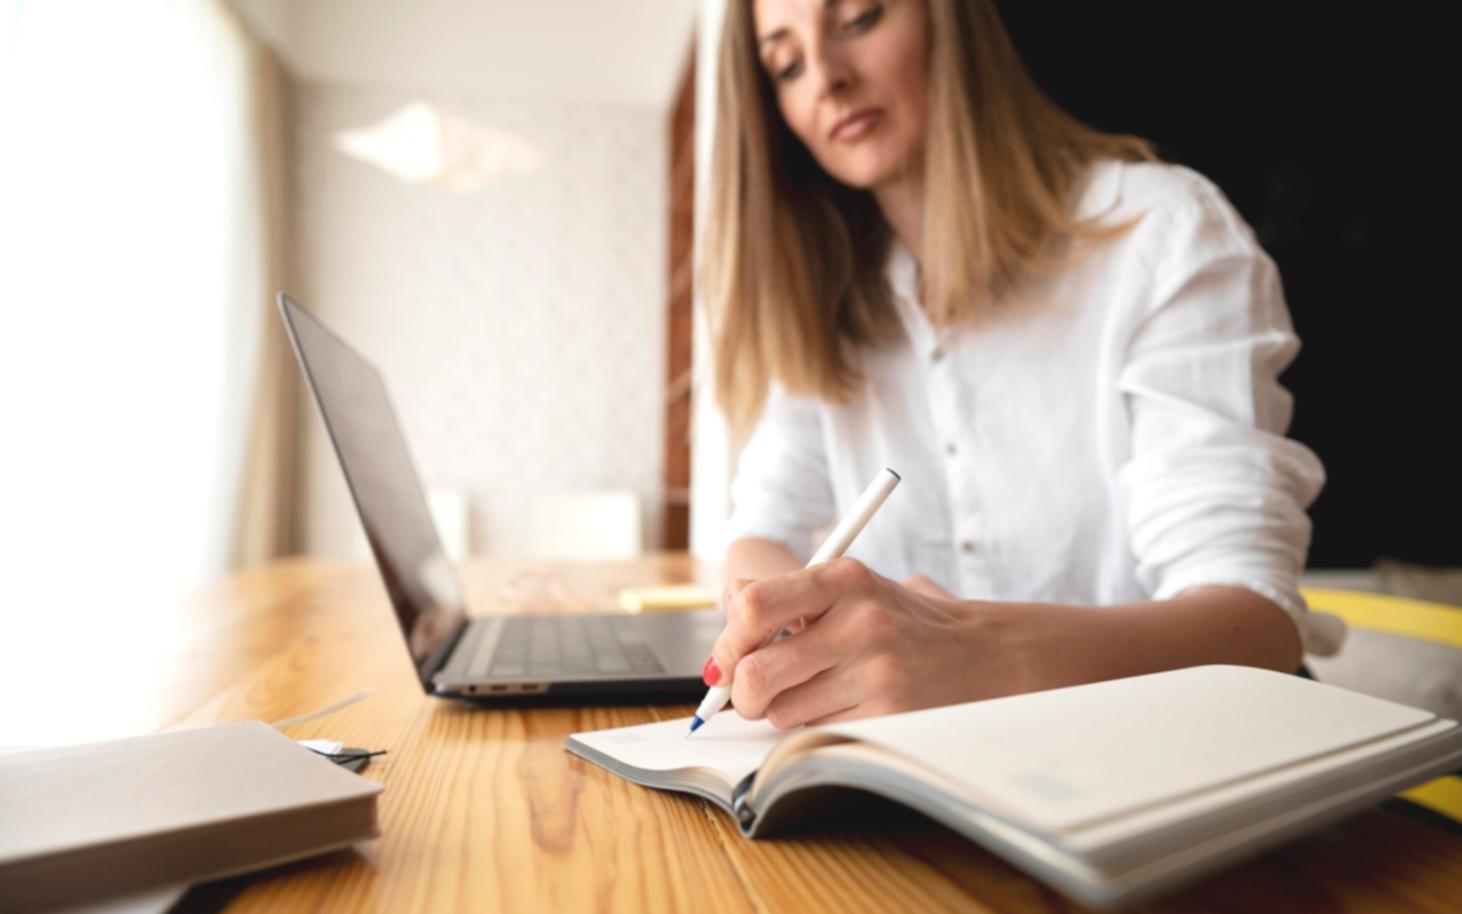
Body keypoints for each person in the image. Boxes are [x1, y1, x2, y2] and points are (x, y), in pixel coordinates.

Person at [698, 0, 1340, 730]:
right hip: (933, 784)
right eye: (786, 63)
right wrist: (771, 618)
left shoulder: (1161, 235)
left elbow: (1256, 626)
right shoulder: (826, 303)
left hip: (1174, 755)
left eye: (860, 19)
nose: (826, 79)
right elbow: (764, 526)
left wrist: (975, 655)